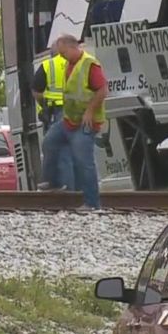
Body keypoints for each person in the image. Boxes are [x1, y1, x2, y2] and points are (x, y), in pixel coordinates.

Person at [41, 34, 108, 210]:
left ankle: (92, 203)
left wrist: (90, 110)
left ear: (72, 47)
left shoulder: (89, 64)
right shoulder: (70, 64)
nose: (61, 57)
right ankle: (53, 182)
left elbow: (102, 89)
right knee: (49, 142)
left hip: (85, 123)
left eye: (63, 53)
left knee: (83, 161)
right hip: (69, 120)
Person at [31, 49, 73, 191]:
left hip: (57, 112)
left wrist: (43, 105)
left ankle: (55, 183)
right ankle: (68, 185)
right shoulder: (78, 64)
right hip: (77, 110)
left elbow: (36, 90)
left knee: (53, 144)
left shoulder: (48, 65)